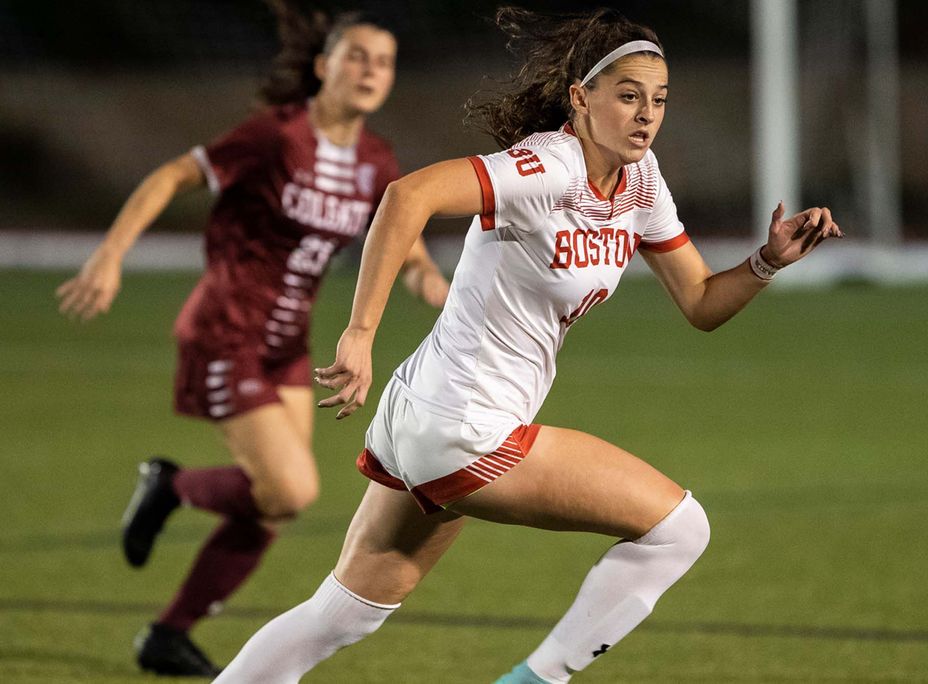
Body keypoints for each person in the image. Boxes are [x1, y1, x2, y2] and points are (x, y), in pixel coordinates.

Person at [213, 7, 843, 683]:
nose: (646, 115)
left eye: (658, 100)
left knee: (343, 613)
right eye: (628, 95)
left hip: (426, 417)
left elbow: (700, 303)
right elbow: (406, 196)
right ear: (581, 97)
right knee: (681, 529)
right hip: (464, 428)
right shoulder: (549, 165)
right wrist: (360, 332)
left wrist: (767, 263)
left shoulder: (640, 182)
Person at [56, 3, 448, 677]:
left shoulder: (376, 160)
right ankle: (172, 486)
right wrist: (111, 253)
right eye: (355, 56)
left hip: (285, 345)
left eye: (382, 62)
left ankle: (168, 635)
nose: (369, 71)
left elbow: (400, 239)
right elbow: (174, 175)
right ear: (323, 67)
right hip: (224, 334)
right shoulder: (276, 136)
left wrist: (431, 281)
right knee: (290, 490)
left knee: (270, 506)